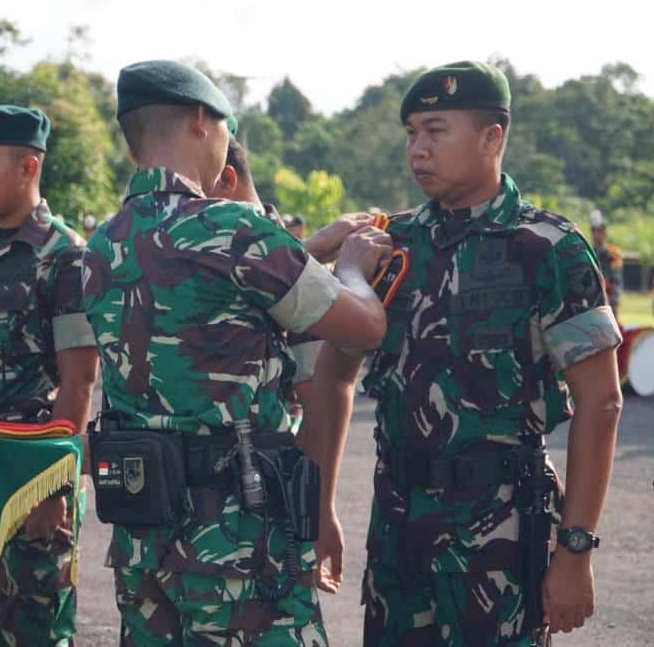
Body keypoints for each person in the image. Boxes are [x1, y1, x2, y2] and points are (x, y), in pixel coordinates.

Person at [83, 59, 391, 645]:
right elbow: (364, 327)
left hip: (144, 539)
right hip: (242, 542)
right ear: (201, 120)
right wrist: (349, 267)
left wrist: (309, 250)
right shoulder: (233, 229)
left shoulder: (102, 243)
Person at [353, 60, 623, 645]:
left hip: (497, 539)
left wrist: (575, 550)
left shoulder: (547, 248)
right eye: (411, 134)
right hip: (397, 531)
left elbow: (600, 402)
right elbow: (333, 368)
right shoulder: (391, 246)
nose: (417, 149)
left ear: (492, 136)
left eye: (436, 130)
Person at [0, 105, 98, 646]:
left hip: (31, 474)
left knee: (37, 628)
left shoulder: (65, 256)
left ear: (28, 167)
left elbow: (79, 380)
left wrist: (55, 484)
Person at [209, 137, 374, 597]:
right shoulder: (247, 247)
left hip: (262, 502)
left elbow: (322, 389)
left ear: (225, 180)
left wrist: (320, 509)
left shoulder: (272, 253)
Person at [590, 210, 623, 321]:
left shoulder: (612, 253)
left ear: (604, 232)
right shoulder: (588, 252)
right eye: (595, 231)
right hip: (593, 300)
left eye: (600, 231)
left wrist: (614, 299)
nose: (597, 234)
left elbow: (616, 277)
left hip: (609, 298)